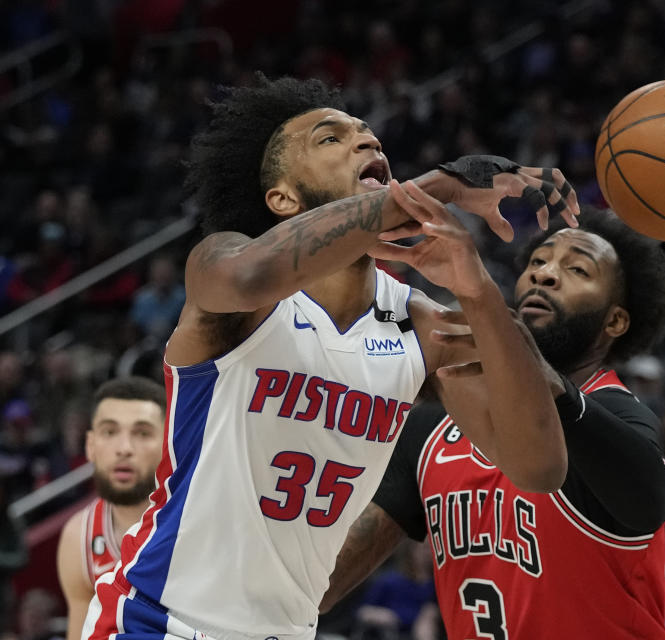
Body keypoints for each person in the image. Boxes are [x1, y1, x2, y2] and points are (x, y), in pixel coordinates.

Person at [82, 74, 579, 640]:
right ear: (283, 198)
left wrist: (478, 291)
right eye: (330, 139)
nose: (368, 143)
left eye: (369, 136)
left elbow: (539, 469)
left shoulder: (421, 325)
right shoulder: (227, 268)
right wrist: (437, 186)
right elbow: (251, 275)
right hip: (156, 620)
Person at [319, 208, 665, 639]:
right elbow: (322, 584)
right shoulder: (436, 426)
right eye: (538, 262)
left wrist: (555, 391)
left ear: (615, 321)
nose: (545, 275)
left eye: (577, 268)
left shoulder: (617, 414)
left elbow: (650, 502)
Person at [57, 376, 165, 640]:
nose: (124, 449)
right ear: (90, 446)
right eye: (109, 431)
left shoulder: (200, 522)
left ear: (169, 443)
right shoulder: (78, 537)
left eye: (142, 433)